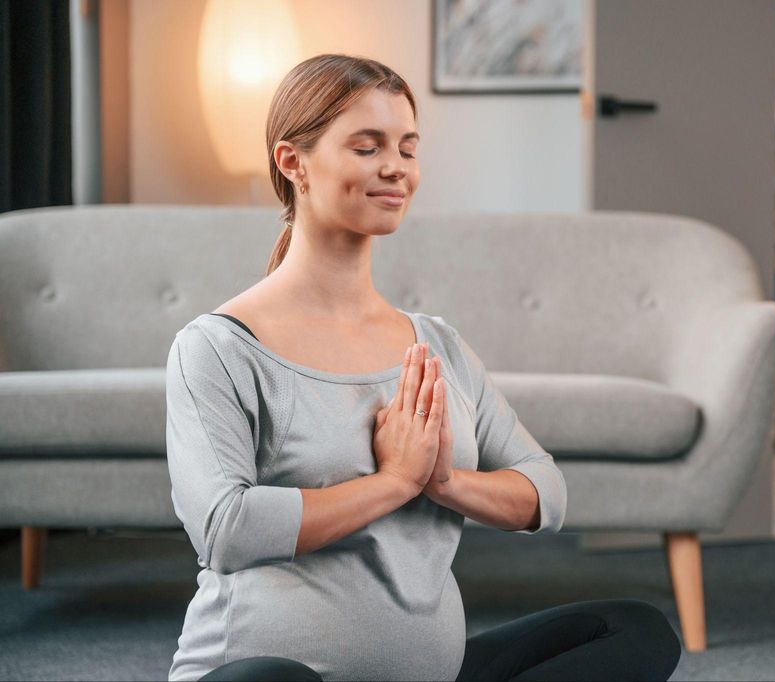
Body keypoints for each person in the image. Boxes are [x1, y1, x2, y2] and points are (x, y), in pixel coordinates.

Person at [165, 54, 681, 682]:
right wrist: (394, 482)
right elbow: (226, 530)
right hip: (268, 674)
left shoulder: (436, 345)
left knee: (632, 630)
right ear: (292, 162)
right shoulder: (220, 347)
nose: (396, 168)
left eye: (408, 148)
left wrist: (446, 484)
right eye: (367, 146)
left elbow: (546, 491)